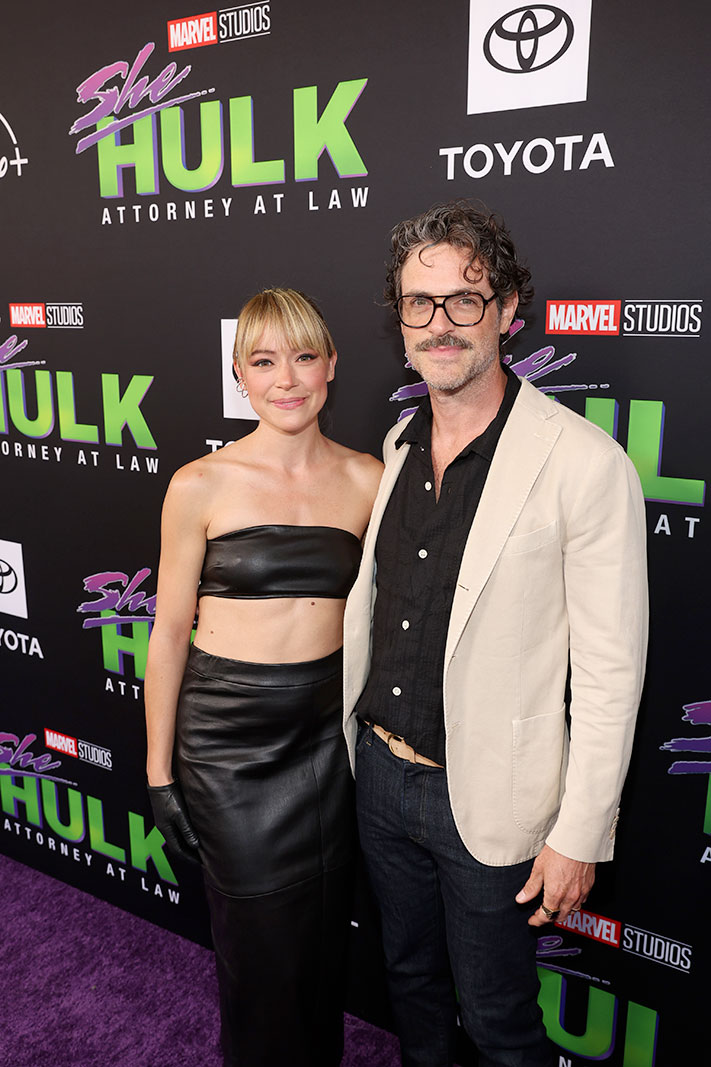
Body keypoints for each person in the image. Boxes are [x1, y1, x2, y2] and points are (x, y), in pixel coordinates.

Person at [343, 201, 648, 1067]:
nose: (440, 323)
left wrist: (578, 832)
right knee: (410, 986)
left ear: (508, 309)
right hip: (380, 778)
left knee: (498, 1021)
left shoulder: (584, 462)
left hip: (490, 800)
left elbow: (610, 671)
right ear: (400, 319)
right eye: (419, 302)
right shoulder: (398, 446)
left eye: (465, 299)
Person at [144, 288, 382, 1067]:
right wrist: (158, 773)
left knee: (319, 940)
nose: (286, 379)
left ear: (331, 365)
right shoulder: (199, 484)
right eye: (264, 361)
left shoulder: (367, 479)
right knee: (257, 950)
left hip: (324, 741)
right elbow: (168, 633)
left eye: (304, 357)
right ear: (239, 373)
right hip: (228, 742)